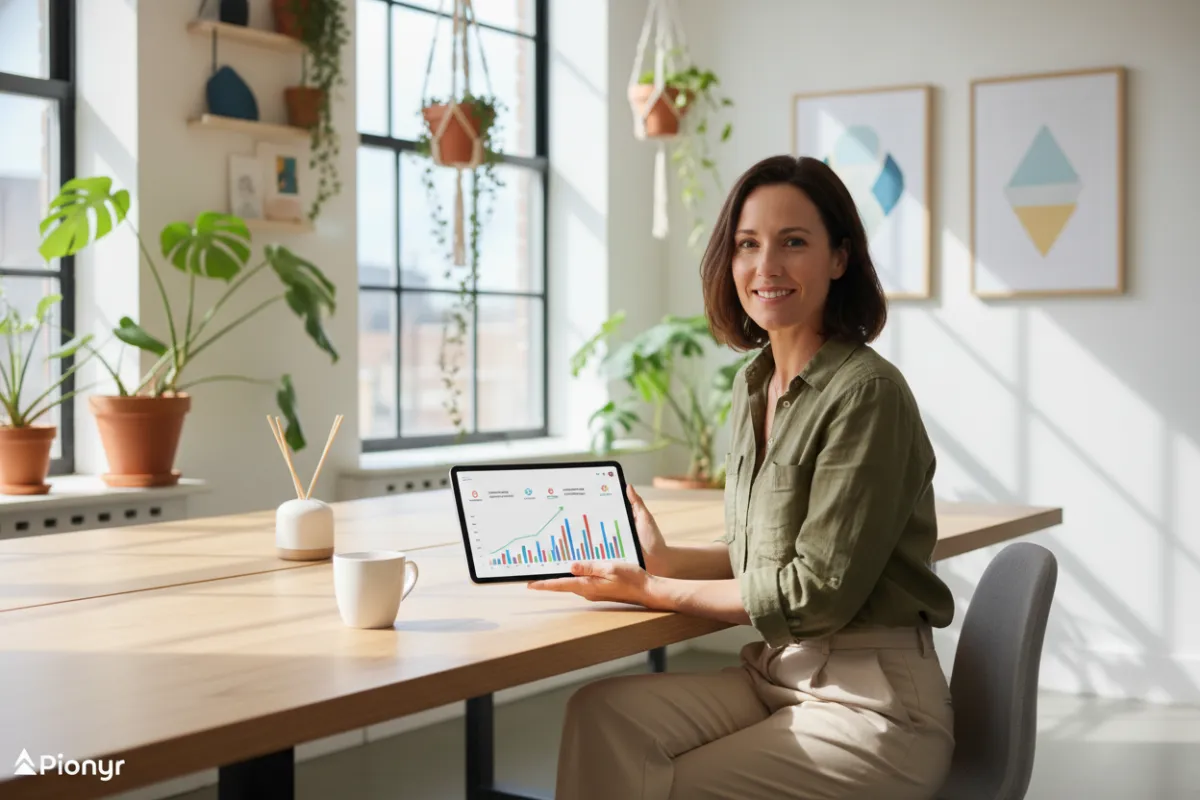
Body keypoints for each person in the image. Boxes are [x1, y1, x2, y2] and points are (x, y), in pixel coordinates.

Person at [528, 154, 956, 799]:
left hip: (875, 705)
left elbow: (815, 592)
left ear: (839, 259)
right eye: (747, 245)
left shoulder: (867, 394)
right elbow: (768, 557)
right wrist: (668, 560)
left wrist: (654, 590)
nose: (766, 267)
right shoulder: (755, 385)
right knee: (602, 715)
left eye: (794, 243)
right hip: (781, 677)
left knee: (666, 787)